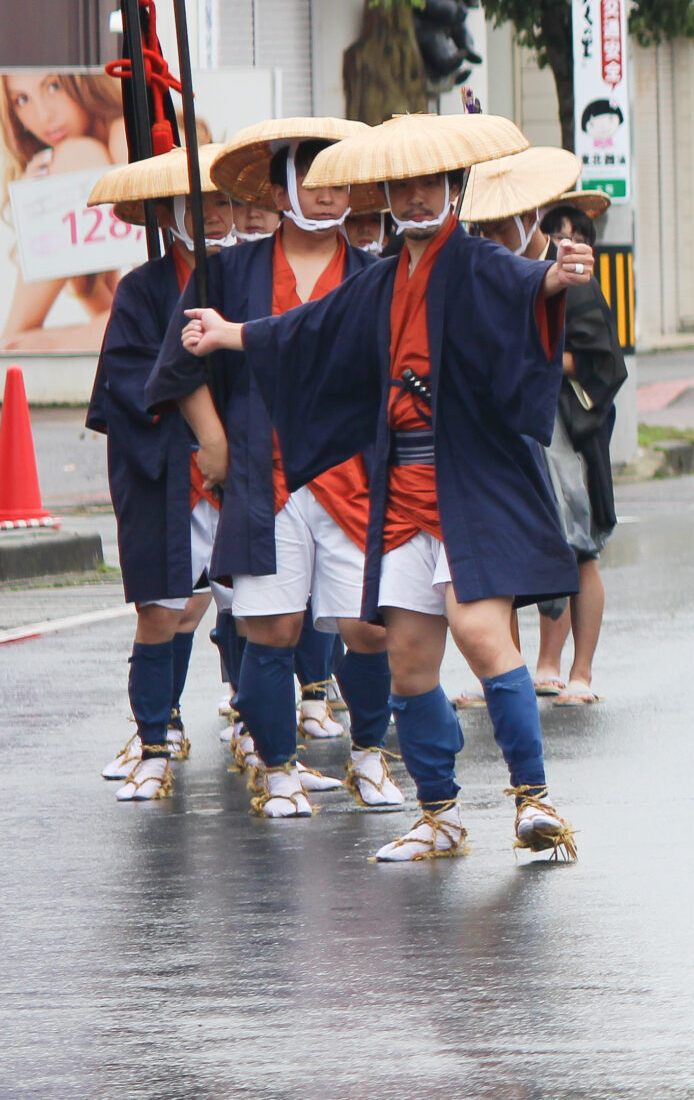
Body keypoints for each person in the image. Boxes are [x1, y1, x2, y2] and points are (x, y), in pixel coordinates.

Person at [180, 112, 594, 864]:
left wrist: (556, 276)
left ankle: (534, 799)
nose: (412, 197)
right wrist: (230, 333)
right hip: (400, 483)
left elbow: (524, 282)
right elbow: (309, 326)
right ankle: (439, 813)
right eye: (400, 186)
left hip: (472, 480)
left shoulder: (476, 261)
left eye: (425, 183)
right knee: (407, 656)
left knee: (477, 629)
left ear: (453, 187)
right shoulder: (378, 279)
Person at [151, 120, 396, 818]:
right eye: (313, 182)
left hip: (352, 473)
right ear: (282, 187)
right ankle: (277, 765)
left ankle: (370, 752)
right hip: (267, 473)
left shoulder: (374, 274)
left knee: (368, 628)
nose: (328, 195)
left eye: (339, 182)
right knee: (272, 628)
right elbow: (182, 356)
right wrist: (213, 437)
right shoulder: (231, 269)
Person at [88, 145, 228, 800]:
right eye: (204, 202)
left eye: (228, 200)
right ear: (173, 213)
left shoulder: (245, 276)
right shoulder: (141, 289)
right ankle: (151, 741)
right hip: (164, 463)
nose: (218, 213)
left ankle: (264, 736)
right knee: (159, 607)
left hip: (235, 463)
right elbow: (126, 377)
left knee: (234, 606)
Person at [462, 149, 625, 700]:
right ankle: (501, 673)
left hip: (560, 422)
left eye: (501, 223)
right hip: (497, 420)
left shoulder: (568, 266)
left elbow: (602, 357)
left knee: (576, 545)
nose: (492, 232)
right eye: (483, 224)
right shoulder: (480, 268)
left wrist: (532, 359)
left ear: (529, 216)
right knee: (497, 549)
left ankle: (574, 669)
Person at [3, 70, 130, 350]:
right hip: (165, 328)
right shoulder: (88, 154)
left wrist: (56, 342)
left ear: (85, 81)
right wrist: (37, 214)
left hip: (197, 319)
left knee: (78, 156)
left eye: (53, 86)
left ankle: (6, 349)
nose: (43, 116)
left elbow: (166, 303)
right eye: (22, 100)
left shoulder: (123, 134)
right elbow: (112, 308)